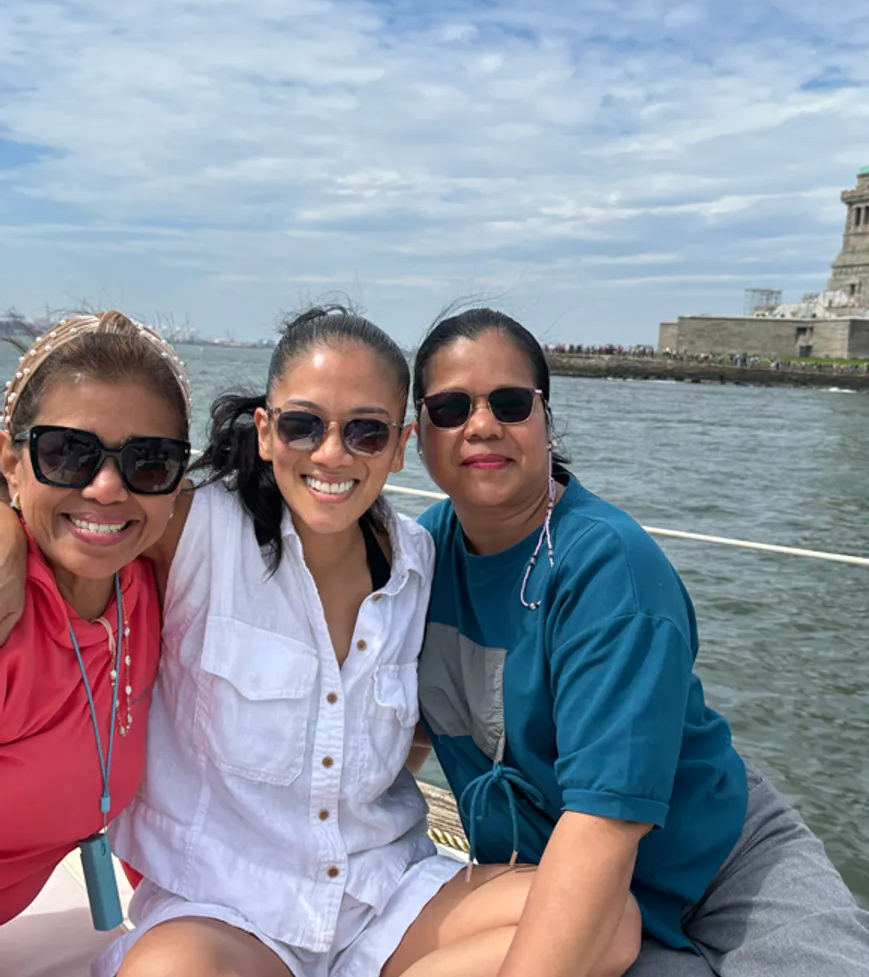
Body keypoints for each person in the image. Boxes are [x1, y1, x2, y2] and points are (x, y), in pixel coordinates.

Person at [0, 305, 632, 977]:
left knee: (607, 922)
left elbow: (414, 720)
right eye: (305, 426)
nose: (332, 454)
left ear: (399, 445)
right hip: (225, 908)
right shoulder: (192, 529)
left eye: (365, 432)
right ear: (267, 433)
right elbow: (90, 499)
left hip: (384, 892)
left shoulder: (420, 561)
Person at [408, 307, 869, 976]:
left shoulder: (609, 568)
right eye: (451, 407)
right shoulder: (415, 559)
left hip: (720, 872)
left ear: (546, 421)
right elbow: (396, 729)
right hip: (549, 882)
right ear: (419, 435)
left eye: (510, 402)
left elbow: (601, 829)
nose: (483, 423)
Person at [0, 313, 191, 931]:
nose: (108, 487)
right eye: (66, 452)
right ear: (11, 459)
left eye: (150, 462)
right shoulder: (9, 611)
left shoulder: (148, 591)